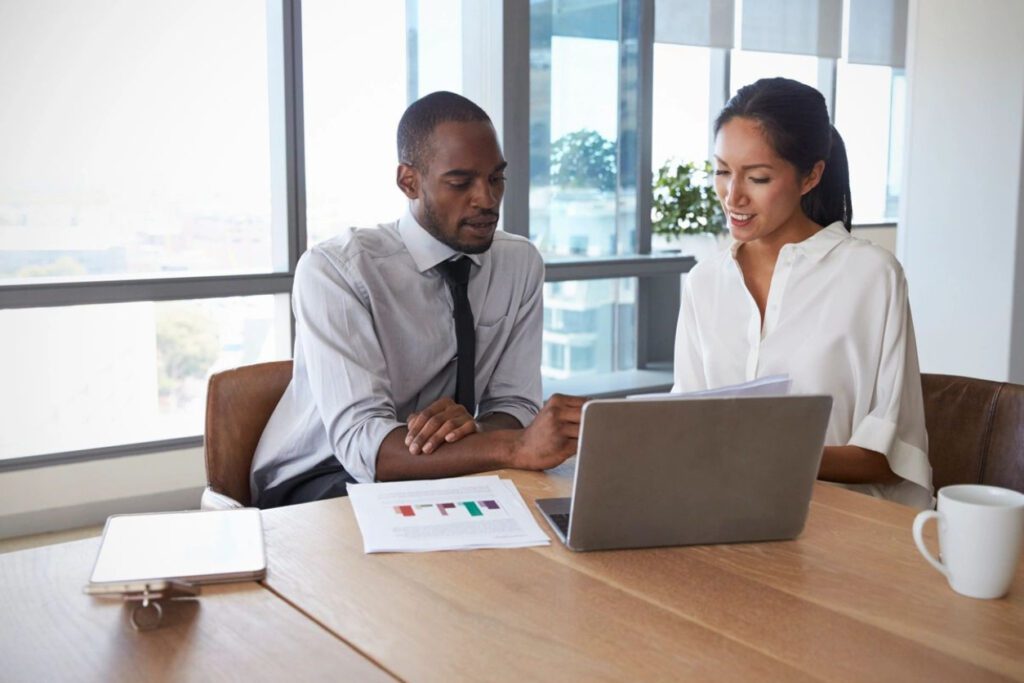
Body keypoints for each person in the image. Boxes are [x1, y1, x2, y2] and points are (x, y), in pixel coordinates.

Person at [250, 91, 584, 508]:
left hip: (442, 470)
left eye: (497, 178)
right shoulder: (335, 270)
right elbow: (362, 447)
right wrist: (512, 446)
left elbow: (513, 403)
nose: (487, 199)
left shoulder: (519, 263)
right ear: (409, 181)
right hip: (321, 479)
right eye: (461, 183)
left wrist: (476, 431)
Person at [672, 77, 933, 509]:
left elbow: (892, 455)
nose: (731, 195)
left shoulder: (870, 276)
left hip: (844, 528)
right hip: (721, 512)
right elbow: (685, 422)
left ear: (811, 176)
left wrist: (770, 457)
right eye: (721, 171)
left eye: (757, 177)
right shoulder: (705, 281)